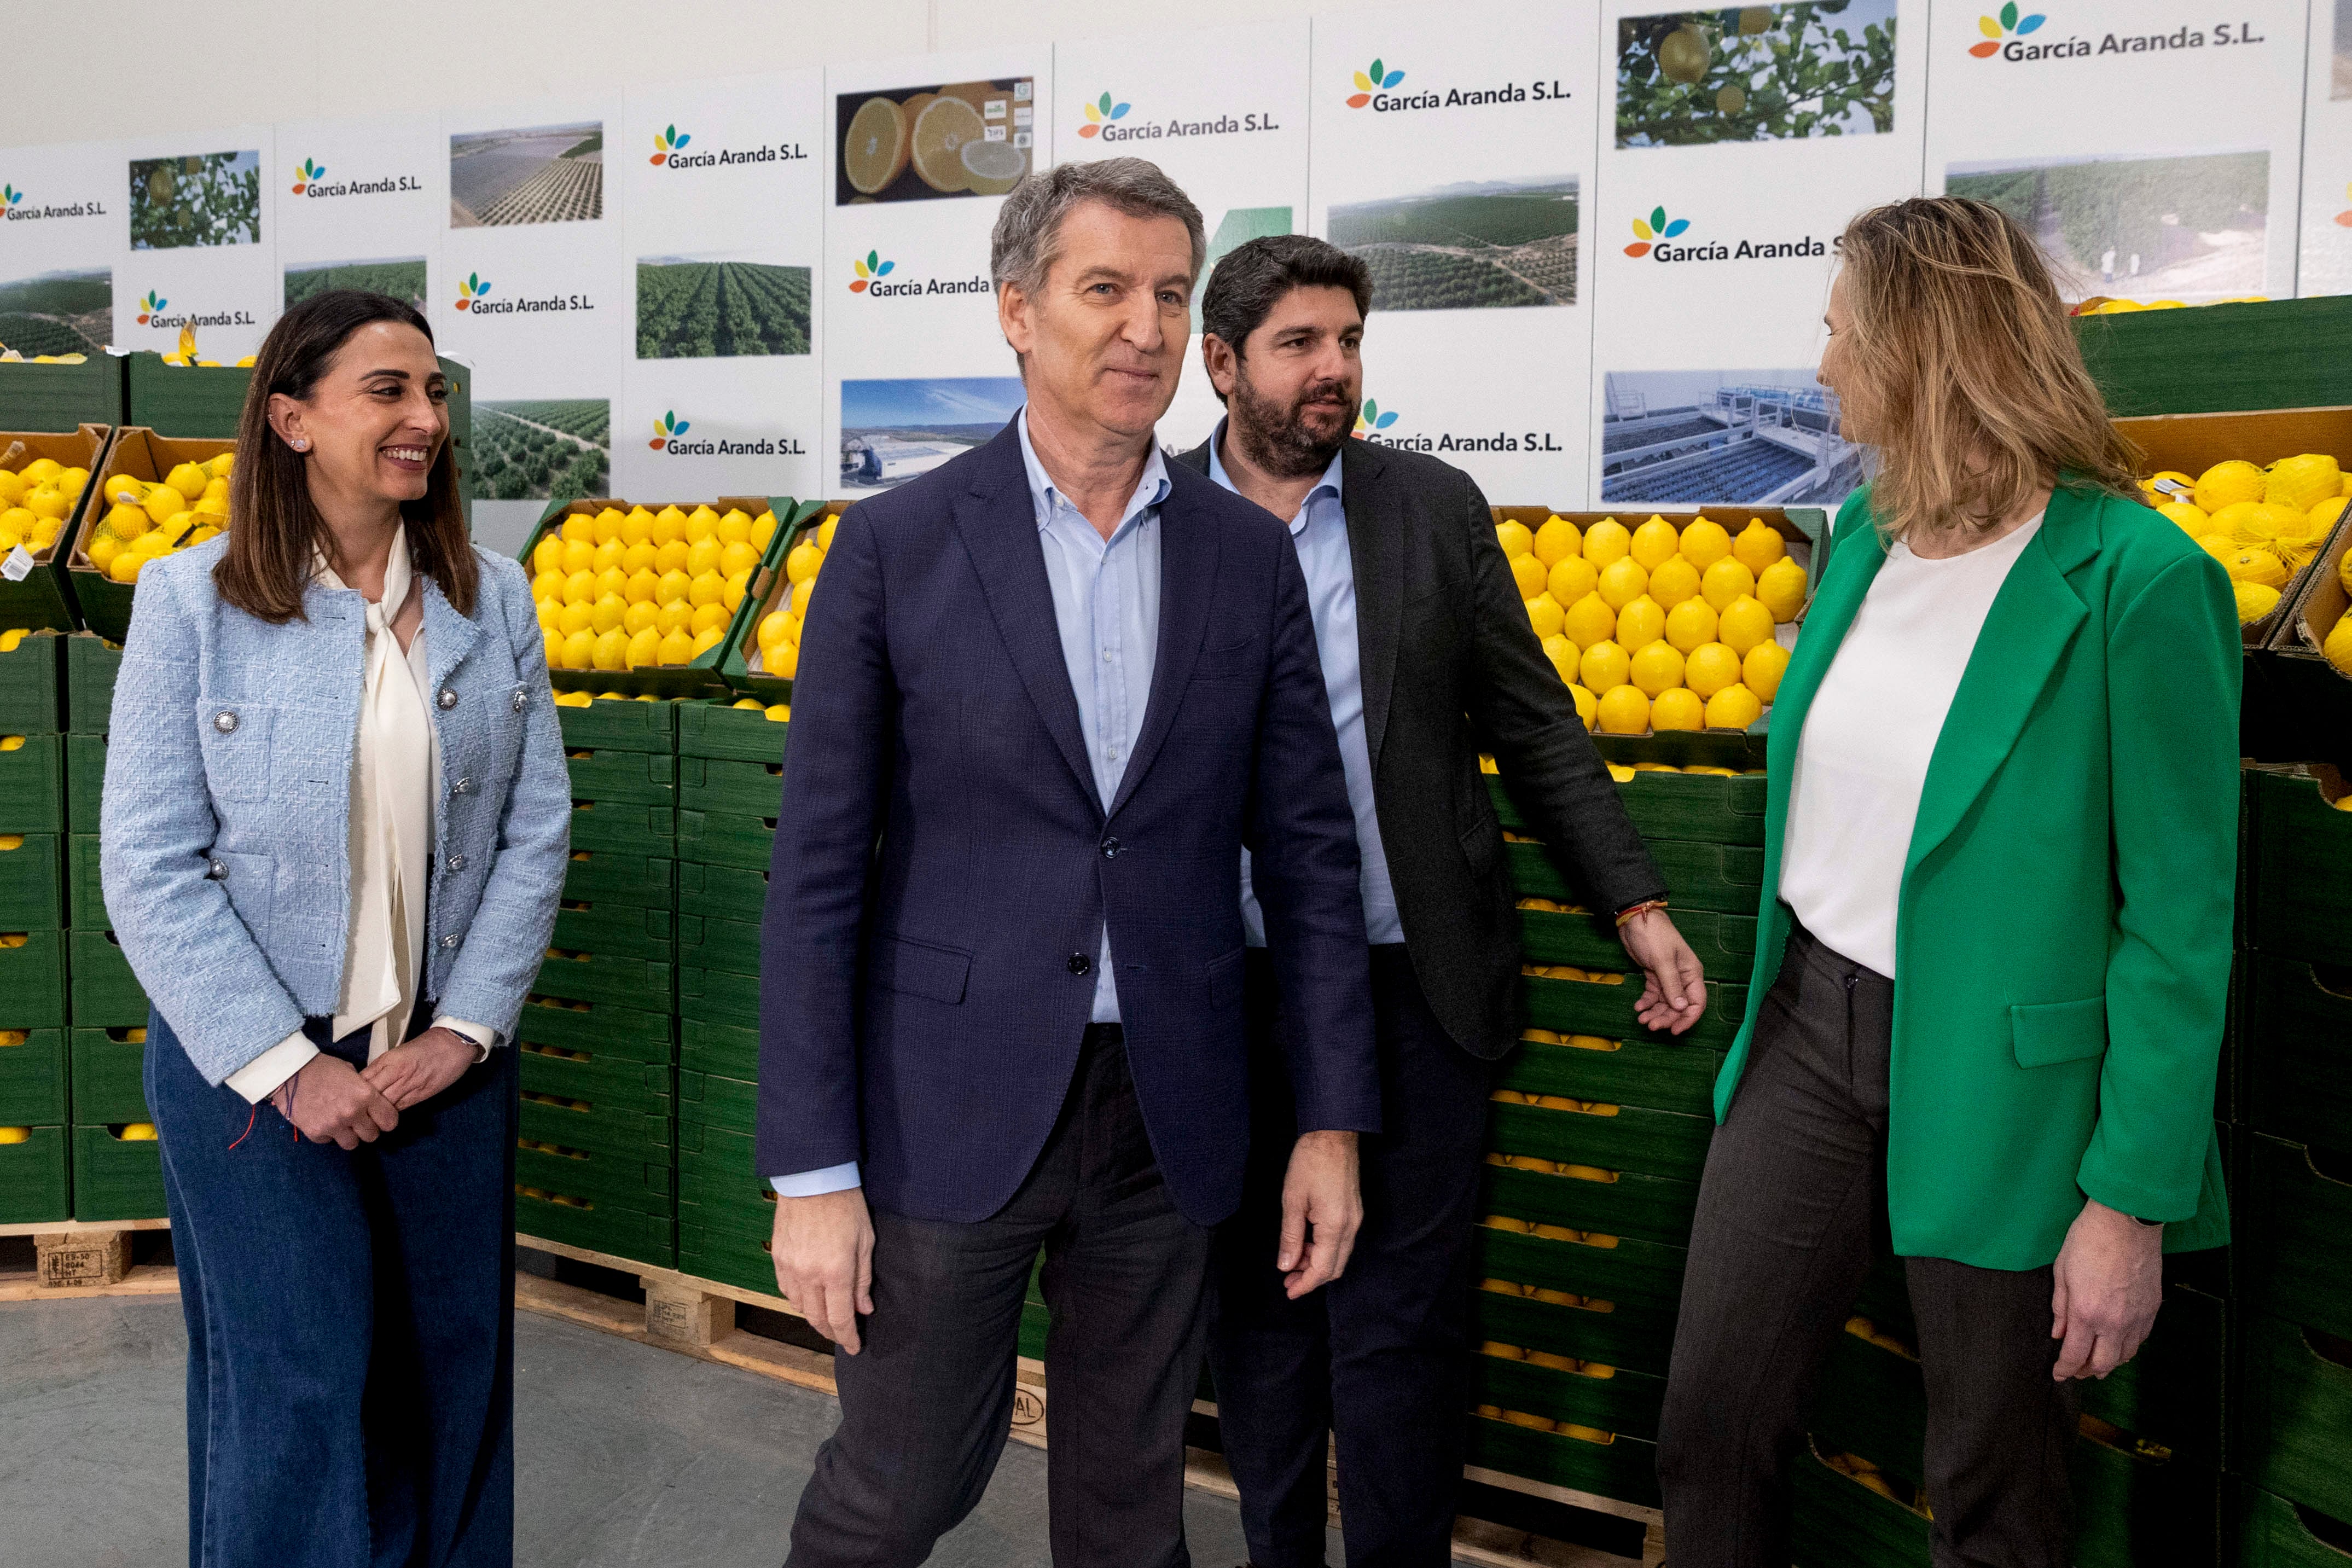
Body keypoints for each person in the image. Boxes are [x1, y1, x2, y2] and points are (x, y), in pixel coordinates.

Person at [756, 159, 1380, 1568]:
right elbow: (815, 875)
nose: (1143, 330)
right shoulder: (894, 546)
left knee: (1128, 1509)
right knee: (896, 1488)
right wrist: (811, 1168)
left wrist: (1331, 1122)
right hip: (945, 1104)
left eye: (1168, 295)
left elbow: (1308, 859)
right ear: (1016, 314)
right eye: (1103, 290)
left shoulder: (1242, 557)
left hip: (1168, 1111)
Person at [1655, 196, 2236, 1566]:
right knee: (1710, 1420)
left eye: (1841, 335)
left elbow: (2178, 918)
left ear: (1926, 351)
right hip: (1807, 1033)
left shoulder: (2139, 582)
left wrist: (2125, 1200)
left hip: (2009, 1085)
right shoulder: (1862, 537)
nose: (1819, 371)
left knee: (1992, 1489)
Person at [1174, 235, 1710, 1567]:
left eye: (1349, 341)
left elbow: (1534, 727)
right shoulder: (1152, 512)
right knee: (1261, 1313)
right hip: (1228, 988)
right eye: (1300, 344)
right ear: (1221, 362)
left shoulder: (1429, 506)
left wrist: (1634, 904)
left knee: (1404, 1321)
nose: (1335, 370)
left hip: (1413, 979)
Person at [103, 289, 570, 1568]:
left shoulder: (495, 597)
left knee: (451, 1367)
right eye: (388, 392)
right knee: (297, 1381)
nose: (426, 419)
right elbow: (146, 863)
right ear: (291, 416)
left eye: (433, 392)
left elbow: (536, 830)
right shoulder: (190, 602)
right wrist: (289, 1064)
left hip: (442, 1059)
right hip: (256, 1070)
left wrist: (466, 1029)